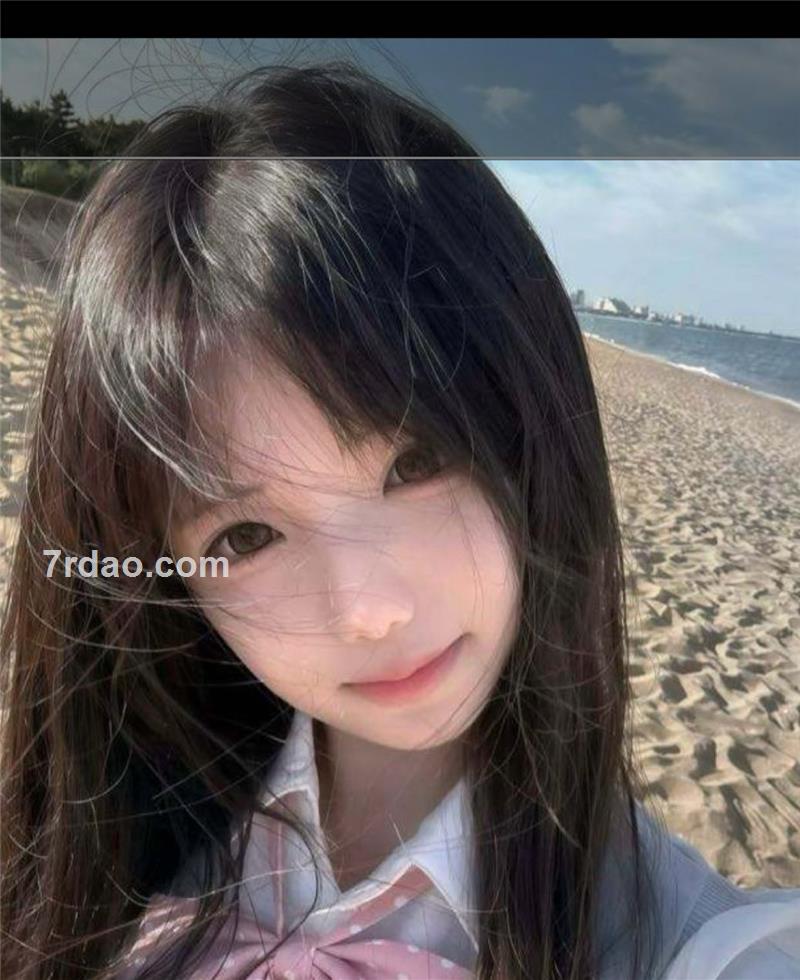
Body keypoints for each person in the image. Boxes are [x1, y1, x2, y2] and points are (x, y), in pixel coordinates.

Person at [1, 61, 797, 980]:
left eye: (415, 465)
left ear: (527, 425)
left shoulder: (695, 945)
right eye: (246, 537)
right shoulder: (98, 851)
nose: (368, 611)